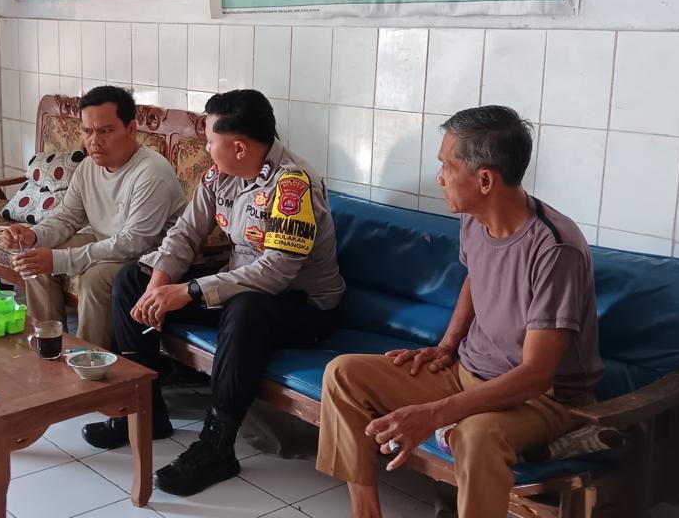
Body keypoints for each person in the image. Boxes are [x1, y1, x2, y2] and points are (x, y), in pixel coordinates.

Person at [314, 106, 604, 518]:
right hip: (468, 371)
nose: (440, 177)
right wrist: (448, 345)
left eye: (447, 166)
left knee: (476, 435)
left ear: (484, 180)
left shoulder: (555, 249)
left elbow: (537, 373)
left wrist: (434, 414)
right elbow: (475, 277)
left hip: (541, 400)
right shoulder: (474, 218)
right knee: (343, 374)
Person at [81, 89, 346, 496]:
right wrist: (158, 284)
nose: (205, 149)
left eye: (209, 141)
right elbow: (186, 233)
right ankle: (144, 412)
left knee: (247, 309)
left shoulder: (293, 186)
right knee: (132, 279)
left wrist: (189, 291)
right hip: (240, 288)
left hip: (304, 307)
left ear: (239, 147)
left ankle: (217, 446)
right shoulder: (221, 174)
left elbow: (275, 273)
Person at [4, 86, 187, 349]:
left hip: (148, 259)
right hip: (108, 242)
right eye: (87, 131)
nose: (94, 141)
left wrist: (59, 259)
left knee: (95, 278)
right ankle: (49, 345)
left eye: (105, 131)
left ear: (131, 129)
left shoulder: (151, 173)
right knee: (36, 261)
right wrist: (33, 235)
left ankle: (89, 357)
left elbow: (133, 243)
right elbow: (67, 216)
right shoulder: (88, 166)